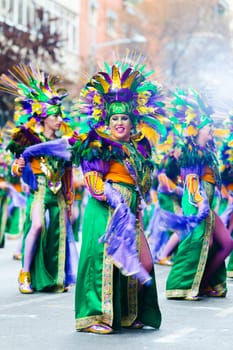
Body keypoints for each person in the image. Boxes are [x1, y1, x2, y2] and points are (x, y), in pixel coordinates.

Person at [71, 57, 167, 334]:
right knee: (102, 263)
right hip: (105, 211)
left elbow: (143, 182)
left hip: (131, 212)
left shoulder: (139, 147)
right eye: (115, 118)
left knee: (141, 262)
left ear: (132, 119)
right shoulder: (97, 142)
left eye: (124, 117)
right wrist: (112, 197)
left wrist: (136, 206)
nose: (120, 123)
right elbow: (92, 180)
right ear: (107, 120)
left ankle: (128, 313)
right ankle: (95, 317)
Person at [0, 64, 78, 294]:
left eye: (60, 115)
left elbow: (67, 172)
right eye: (55, 115)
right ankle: (25, 273)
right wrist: (18, 166)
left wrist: (70, 200)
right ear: (44, 117)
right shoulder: (30, 138)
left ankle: (53, 277)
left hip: (60, 194)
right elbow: (17, 166)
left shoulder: (65, 142)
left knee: (58, 231)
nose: (59, 119)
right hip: (40, 191)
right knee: (36, 225)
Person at [165, 88, 233, 300]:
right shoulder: (191, 151)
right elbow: (192, 181)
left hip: (207, 205)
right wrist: (200, 203)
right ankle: (180, 285)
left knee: (226, 243)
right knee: (199, 242)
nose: (212, 130)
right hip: (195, 203)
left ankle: (203, 282)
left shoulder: (209, 151)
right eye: (208, 127)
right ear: (198, 130)